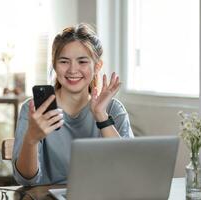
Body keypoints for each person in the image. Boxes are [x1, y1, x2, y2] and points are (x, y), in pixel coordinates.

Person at [12, 23, 134, 186]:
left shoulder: (113, 109)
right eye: (64, 61)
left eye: (82, 61)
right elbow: (26, 179)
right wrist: (31, 139)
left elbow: (128, 170)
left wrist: (100, 115)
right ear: (55, 65)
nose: (72, 70)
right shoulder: (34, 110)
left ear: (97, 66)